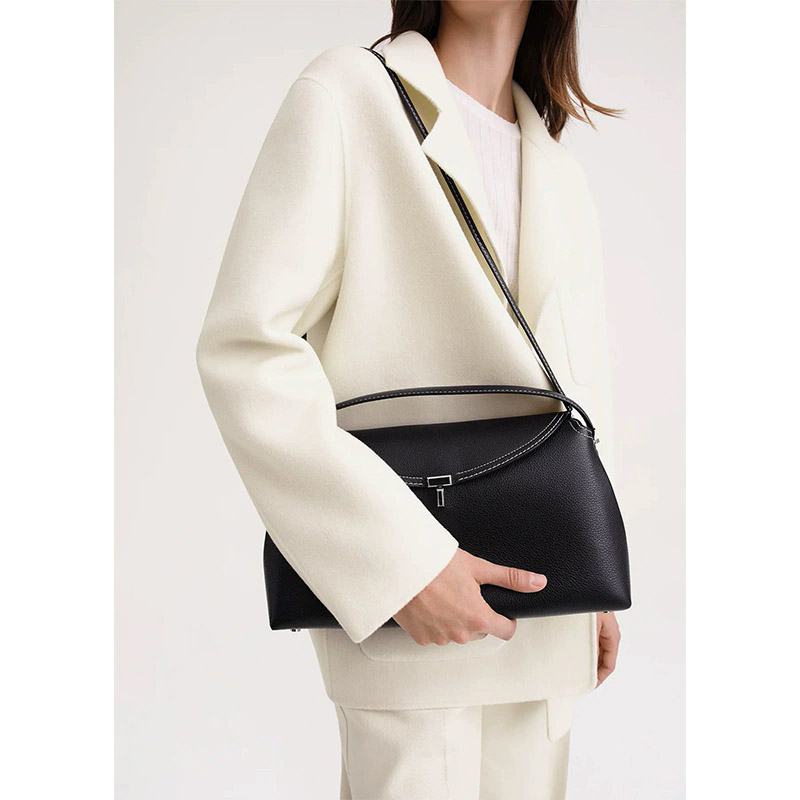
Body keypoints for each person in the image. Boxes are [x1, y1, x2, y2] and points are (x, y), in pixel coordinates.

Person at [197, 1, 622, 797]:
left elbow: (575, 394)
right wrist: (400, 567)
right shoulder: (348, 97)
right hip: (409, 636)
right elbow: (246, 348)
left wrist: (593, 571)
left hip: (545, 629)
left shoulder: (558, 170)